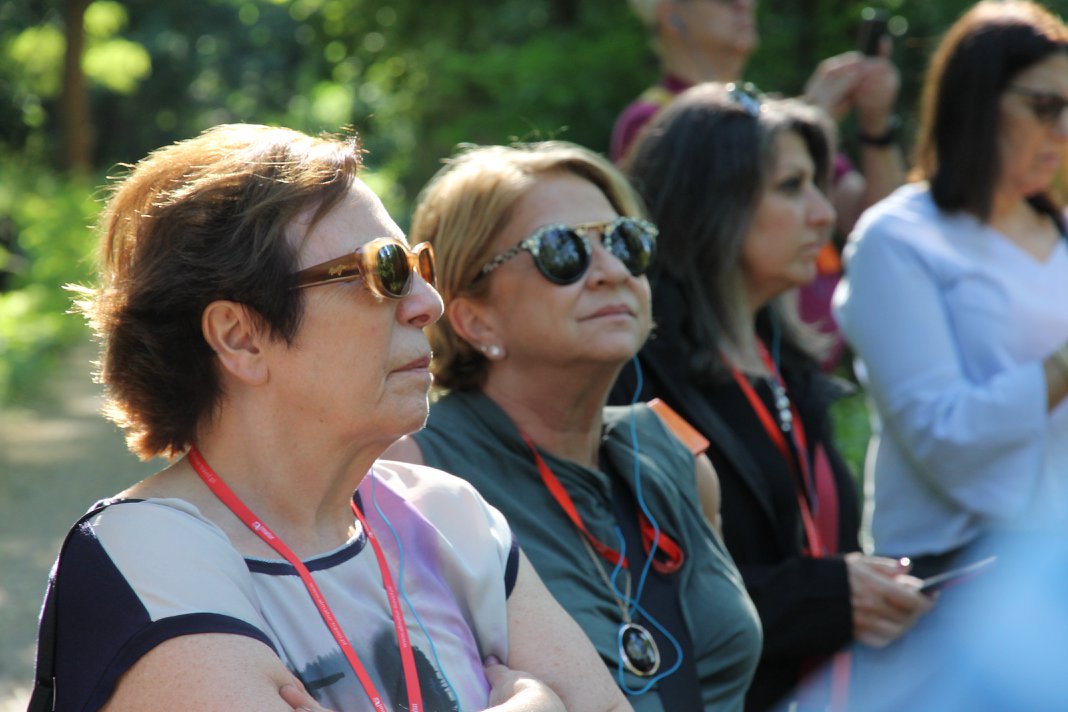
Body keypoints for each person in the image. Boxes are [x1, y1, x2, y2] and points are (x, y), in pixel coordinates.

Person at [28, 123, 633, 712]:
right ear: (241, 337)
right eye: (383, 272)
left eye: (420, 268)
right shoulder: (146, 555)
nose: (429, 304)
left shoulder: (449, 516)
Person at [383, 141, 763, 711]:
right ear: (473, 317)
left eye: (625, 242)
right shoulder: (411, 476)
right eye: (562, 251)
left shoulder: (679, 459)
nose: (611, 272)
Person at [615, 83, 932, 711]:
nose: (822, 212)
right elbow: (642, 598)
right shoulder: (633, 378)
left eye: (816, 185)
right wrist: (827, 597)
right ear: (710, 202)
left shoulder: (781, 363)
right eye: (792, 187)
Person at [832, 4, 1068, 700]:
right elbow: (943, 432)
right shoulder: (897, 240)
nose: (1063, 129)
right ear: (975, 101)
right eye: (1044, 105)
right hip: (955, 581)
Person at [614, 0, 905, 367]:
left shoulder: (767, 113)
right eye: (790, 185)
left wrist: (876, 127)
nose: (745, 4)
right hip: (718, 362)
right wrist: (812, 115)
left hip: (786, 364)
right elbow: (702, 250)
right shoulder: (653, 122)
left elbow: (877, 224)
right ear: (671, 13)